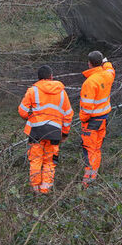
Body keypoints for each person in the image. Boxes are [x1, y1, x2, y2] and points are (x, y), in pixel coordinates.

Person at [18, 65, 72, 194]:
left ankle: (35, 189)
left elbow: (22, 111)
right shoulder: (62, 92)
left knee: (36, 160)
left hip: (36, 131)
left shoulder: (32, 91)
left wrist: (30, 116)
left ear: (39, 78)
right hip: (54, 132)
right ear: (51, 77)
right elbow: (68, 114)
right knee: (49, 162)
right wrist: (64, 133)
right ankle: (45, 190)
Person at [79, 51, 115, 188]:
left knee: (89, 151)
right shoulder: (108, 75)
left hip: (91, 122)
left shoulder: (90, 82)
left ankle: (88, 181)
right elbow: (110, 69)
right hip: (103, 120)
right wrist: (106, 62)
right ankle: (93, 176)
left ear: (89, 63)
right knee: (96, 149)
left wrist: (83, 119)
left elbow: (87, 108)